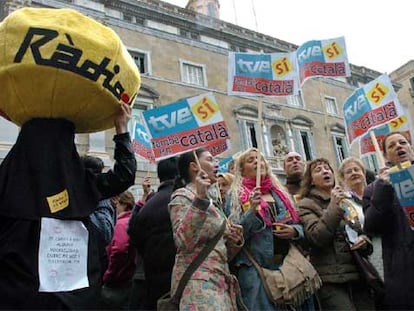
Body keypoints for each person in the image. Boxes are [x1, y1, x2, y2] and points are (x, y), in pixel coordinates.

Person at [0, 102, 137, 309]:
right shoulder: (80, 185)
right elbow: (124, 175)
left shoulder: (6, 181)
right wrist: (121, 129)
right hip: (72, 300)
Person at [227, 147, 313, 310]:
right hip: (256, 270)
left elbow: (299, 224)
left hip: (288, 266)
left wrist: (294, 231)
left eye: (260, 159)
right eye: (251, 160)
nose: (257, 162)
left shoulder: (280, 193)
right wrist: (252, 211)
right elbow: (235, 235)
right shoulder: (236, 197)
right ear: (242, 170)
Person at [168, 148, 244, 310]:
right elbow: (182, 241)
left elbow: (219, 252)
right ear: (194, 166)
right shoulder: (182, 196)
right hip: (198, 285)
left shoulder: (213, 202)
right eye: (210, 159)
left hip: (220, 281)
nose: (216, 164)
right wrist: (199, 200)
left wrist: (233, 241)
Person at [297, 158, 374, 310]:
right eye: (318, 170)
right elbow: (316, 237)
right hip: (331, 279)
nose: (325, 171)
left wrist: (365, 241)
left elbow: (359, 231)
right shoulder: (305, 204)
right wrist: (333, 205)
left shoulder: (346, 200)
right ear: (311, 181)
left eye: (327, 168)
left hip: (358, 273)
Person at [363, 131, 414, 309]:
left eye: (403, 142)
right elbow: (371, 226)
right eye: (392, 145)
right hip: (403, 270)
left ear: (411, 147)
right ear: (384, 155)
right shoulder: (374, 189)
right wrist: (384, 189)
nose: (399, 146)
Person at [128, 156, 178, 310]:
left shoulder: (147, 207)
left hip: (153, 280)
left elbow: (133, 235)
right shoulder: (184, 201)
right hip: (181, 280)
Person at [101, 191, 137, 309]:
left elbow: (120, 250)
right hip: (129, 281)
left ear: (123, 204)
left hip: (116, 284)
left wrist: (108, 275)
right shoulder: (134, 220)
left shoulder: (121, 224)